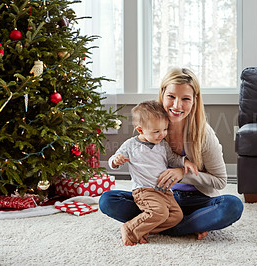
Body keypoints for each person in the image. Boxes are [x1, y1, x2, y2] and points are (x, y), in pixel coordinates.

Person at [99, 67, 244, 240]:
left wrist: (182, 174)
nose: (177, 105)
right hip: (157, 198)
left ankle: (155, 226)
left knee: (232, 206)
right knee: (108, 200)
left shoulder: (204, 134)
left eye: (185, 99)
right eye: (171, 97)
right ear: (162, 94)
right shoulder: (153, 125)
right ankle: (190, 226)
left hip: (197, 201)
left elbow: (220, 182)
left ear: (194, 101)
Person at [109, 100, 198, 246]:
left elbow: (173, 159)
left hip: (165, 191)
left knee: (177, 216)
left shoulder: (162, 144)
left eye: (165, 129)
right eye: (156, 131)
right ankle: (130, 229)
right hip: (145, 190)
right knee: (160, 213)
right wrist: (115, 160)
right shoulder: (131, 145)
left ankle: (144, 229)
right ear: (140, 130)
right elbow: (113, 161)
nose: (162, 134)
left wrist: (184, 162)